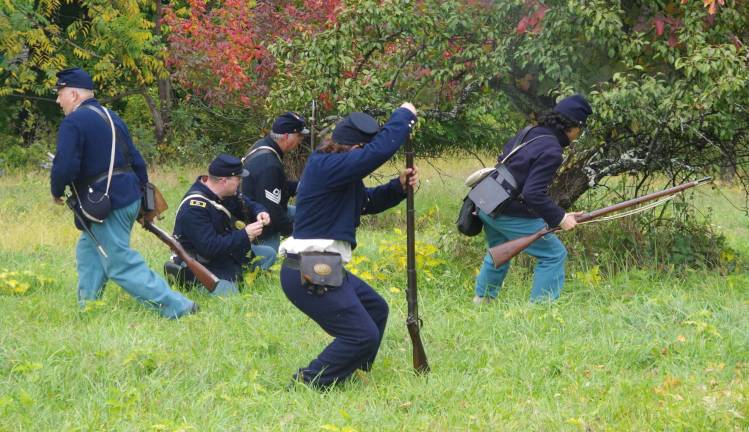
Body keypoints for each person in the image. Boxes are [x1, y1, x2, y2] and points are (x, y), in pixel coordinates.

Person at [279, 102, 419, 389]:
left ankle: (352, 370)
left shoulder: (331, 169)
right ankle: (307, 383)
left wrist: (397, 187)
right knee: (361, 334)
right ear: (355, 149)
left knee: (375, 310)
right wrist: (404, 116)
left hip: (319, 263)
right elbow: (378, 152)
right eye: (362, 153)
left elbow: (364, 202)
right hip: (309, 265)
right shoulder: (326, 164)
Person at [49, 67, 197, 318]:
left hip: (107, 202)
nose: (57, 99)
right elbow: (136, 160)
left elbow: (65, 165)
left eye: (60, 93)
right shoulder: (112, 116)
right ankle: (89, 310)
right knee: (89, 252)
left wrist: (56, 189)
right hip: (126, 196)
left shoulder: (73, 121)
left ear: (73, 94)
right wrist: (143, 198)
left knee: (119, 264)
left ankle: (179, 307)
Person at [473, 94, 592, 304]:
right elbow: (532, 194)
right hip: (508, 210)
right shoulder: (552, 149)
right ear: (572, 127)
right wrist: (560, 218)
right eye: (579, 130)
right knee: (553, 254)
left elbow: (508, 167)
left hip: (487, 201)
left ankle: (482, 301)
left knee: (499, 251)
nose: (578, 135)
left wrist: (561, 214)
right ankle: (541, 311)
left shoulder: (531, 132)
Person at [170, 154, 273, 296]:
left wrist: (260, 212)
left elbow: (246, 203)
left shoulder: (225, 193)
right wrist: (245, 235)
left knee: (269, 254)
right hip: (200, 265)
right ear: (224, 181)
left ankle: (241, 277)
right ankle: (203, 287)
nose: (240, 182)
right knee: (230, 293)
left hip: (224, 255)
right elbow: (210, 247)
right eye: (238, 179)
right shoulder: (194, 208)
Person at [241, 112, 308, 269]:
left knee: (307, 214)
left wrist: (303, 187)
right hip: (259, 223)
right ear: (286, 136)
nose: (301, 139)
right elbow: (273, 216)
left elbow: (277, 186)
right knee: (268, 260)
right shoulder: (269, 164)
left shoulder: (264, 146)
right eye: (299, 135)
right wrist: (296, 230)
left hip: (260, 210)